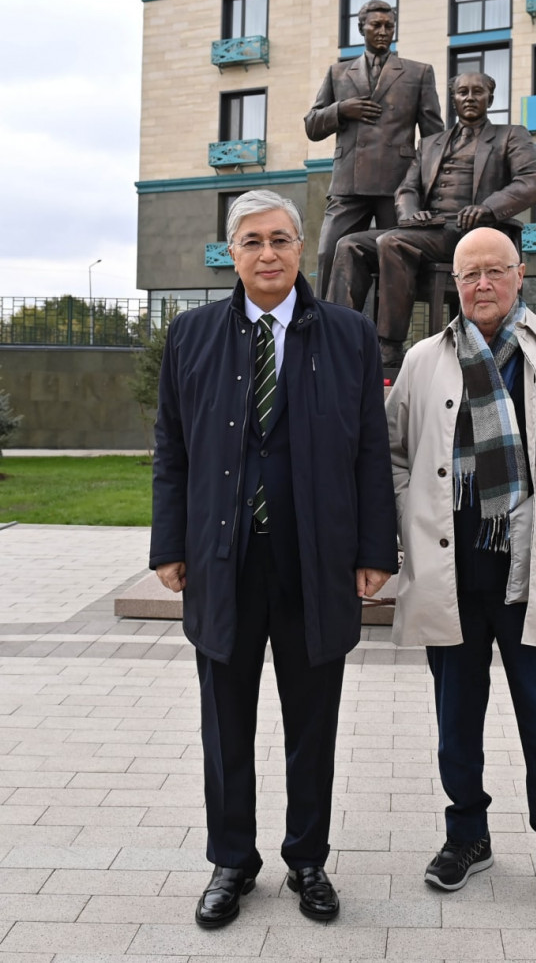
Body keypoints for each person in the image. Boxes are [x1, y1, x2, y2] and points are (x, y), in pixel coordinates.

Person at [150, 189, 398, 928]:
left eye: (281, 239)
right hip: (222, 560)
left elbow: (370, 452)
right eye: (253, 241)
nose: (268, 253)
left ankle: (307, 859)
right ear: (232, 253)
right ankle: (232, 860)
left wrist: (374, 548)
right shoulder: (191, 335)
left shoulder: (350, 335)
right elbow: (171, 449)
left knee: (312, 724)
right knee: (225, 723)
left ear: (300, 247)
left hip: (314, 562)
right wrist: (169, 544)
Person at [385, 227, 536, 914]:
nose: (482, 284)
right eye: (470, 274)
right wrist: (408, 514)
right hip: (451, 574)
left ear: (521, 276)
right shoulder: (424, 360)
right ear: (456, 285)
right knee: (456, 721)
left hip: (531, 574)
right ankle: (466, 837)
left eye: (495, 270)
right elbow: (392, 452)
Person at [326, 72, 536, 367]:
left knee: (392, 242)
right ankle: (337, 335)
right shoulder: (430, 143)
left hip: (473, 234)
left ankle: (389, 346)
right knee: (349, 244)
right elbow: (407, 189)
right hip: (427, 230)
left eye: (477, 92)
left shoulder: (510, 135)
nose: (469, 97)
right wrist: (410, 214)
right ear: (453, 99)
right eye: (462, 92)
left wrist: (488, 207)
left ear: (490, 99)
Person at [304, 0, 444, 299]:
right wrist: (341, 109)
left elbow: (434, 138)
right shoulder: (338, 73)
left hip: (397, 185)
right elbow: (312, 126)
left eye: (389, 26)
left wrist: (427, 191)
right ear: (361, 28)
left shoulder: (418, 73)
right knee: (328, 252)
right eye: (376, 25)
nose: (383, 31)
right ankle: (324, 319)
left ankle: (384, 328)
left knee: (392, 261)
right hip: (348, 184)